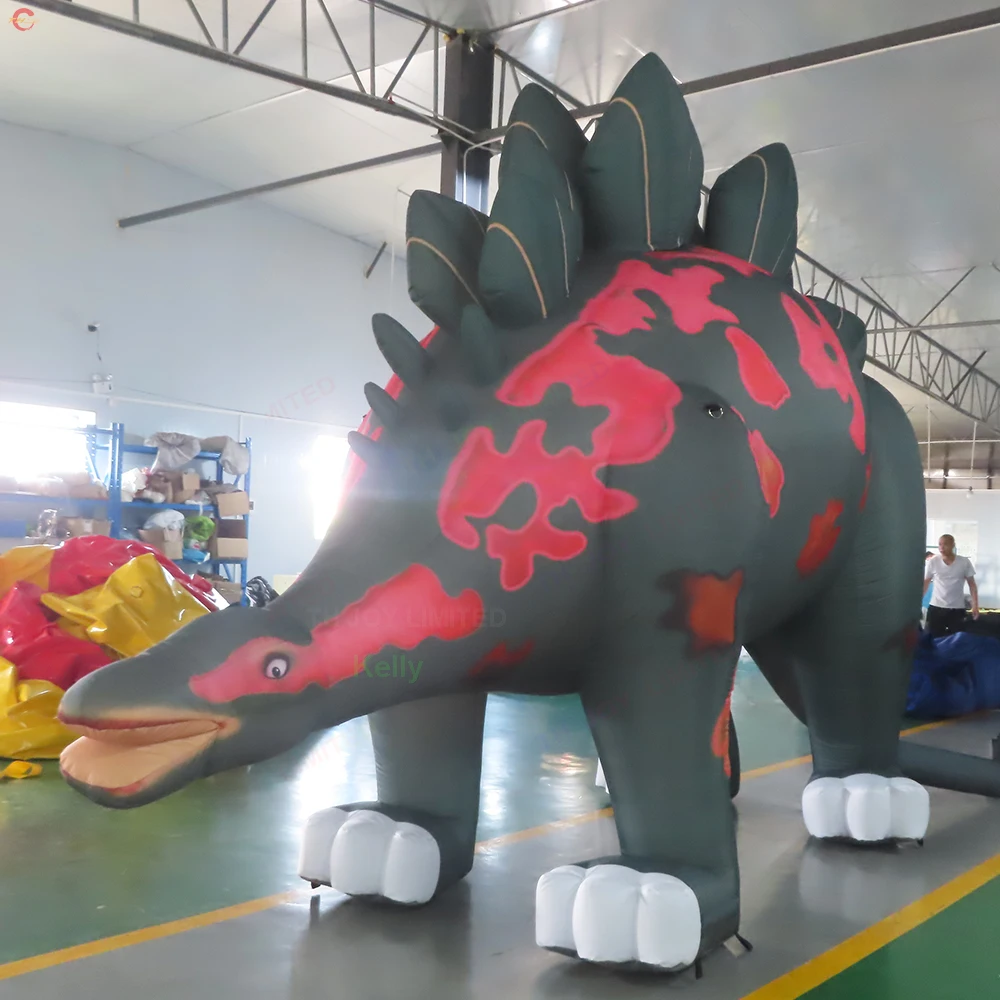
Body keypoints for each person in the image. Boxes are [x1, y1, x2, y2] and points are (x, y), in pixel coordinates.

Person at [923, 535, 978, 637]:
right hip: (936, 607)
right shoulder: (933, 561)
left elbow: (972, 585)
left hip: (956, 609)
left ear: (953, 545)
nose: (942, 548)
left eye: (945, 544)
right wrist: (917, 603)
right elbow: (926, 583)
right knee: (934, 639)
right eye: (940, 544)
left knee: (957, 640)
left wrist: (975, 605)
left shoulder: (964, 562)